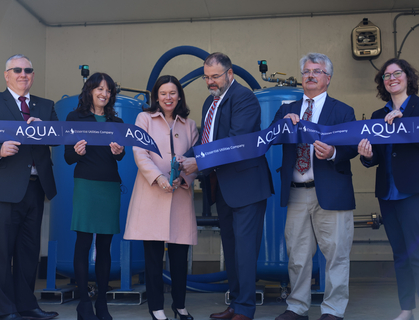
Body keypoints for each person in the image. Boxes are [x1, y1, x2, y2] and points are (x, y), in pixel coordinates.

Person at [179, 52, 274, 320]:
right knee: (232, 251)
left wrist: (197, 163)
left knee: (244, 250)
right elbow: (207, 141)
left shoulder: (243, 98)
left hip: (246, 188)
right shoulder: (210, 103)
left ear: (229, 74)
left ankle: (245, 309)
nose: (210, 81)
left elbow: (236, 143)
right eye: (206, 77)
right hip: (223, 188)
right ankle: (235, 304)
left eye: (215, 76)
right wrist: (184, 158)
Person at [0, 54, 59, 320]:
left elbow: (60, 136)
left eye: (28, 70)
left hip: (35, 187)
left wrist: (47, 129)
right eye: (16, 69)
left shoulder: (46, 105)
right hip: (0, 189)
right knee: (0, 253)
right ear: (7, 75)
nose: (23, 74)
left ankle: (26, 306)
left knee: (29, 253)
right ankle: (4, 311)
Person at [271, 53, 358, 320]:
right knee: (297, 255)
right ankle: (297, 307)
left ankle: (333, 310)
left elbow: (353, 146)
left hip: (332, 192)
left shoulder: (342, 110)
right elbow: (270, 136)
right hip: (297, 192)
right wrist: (282, 126)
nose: (310, 75)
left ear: (328, 78)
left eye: (317, 71)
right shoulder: (288, 109)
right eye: (307, 71)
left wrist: (332, 152)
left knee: (336, 255)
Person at [358, 58, 419, 320]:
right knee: (400, 255)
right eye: (386, 76)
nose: (392, 78)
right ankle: (407, 309)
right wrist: (367, 155)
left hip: (417, 193)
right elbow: (376, 158)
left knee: (418, 254)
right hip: (388, 193)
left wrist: (405, 125)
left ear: (408, 77)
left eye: (397, 73)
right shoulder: (377, 116)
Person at [124, 75, 198, 320]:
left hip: (180, 196)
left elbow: (196, 160)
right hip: (152, 195)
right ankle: (156, 308)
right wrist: (158, 177)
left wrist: (184, 178)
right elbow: (139, 153)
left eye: (173, 93)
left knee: (179, 258)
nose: (168, 98)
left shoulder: (190, 125)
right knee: (153, 258)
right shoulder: (143, 118)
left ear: (179, 96)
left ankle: (180, 306)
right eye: (163, 93)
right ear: (156, 96)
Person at [64, 72, 125, 320]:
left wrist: (119, 151)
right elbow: (68, 157)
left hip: (109, 186)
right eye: (99, 88)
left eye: (108, 90)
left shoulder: (117, 122)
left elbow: (119, 157)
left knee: (105, 246)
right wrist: (78, 152)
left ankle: (102, 302)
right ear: (89, 90)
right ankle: (83, 303)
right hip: (86, 185)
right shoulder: (75, 117)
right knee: (83, 243)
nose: (104, 93)